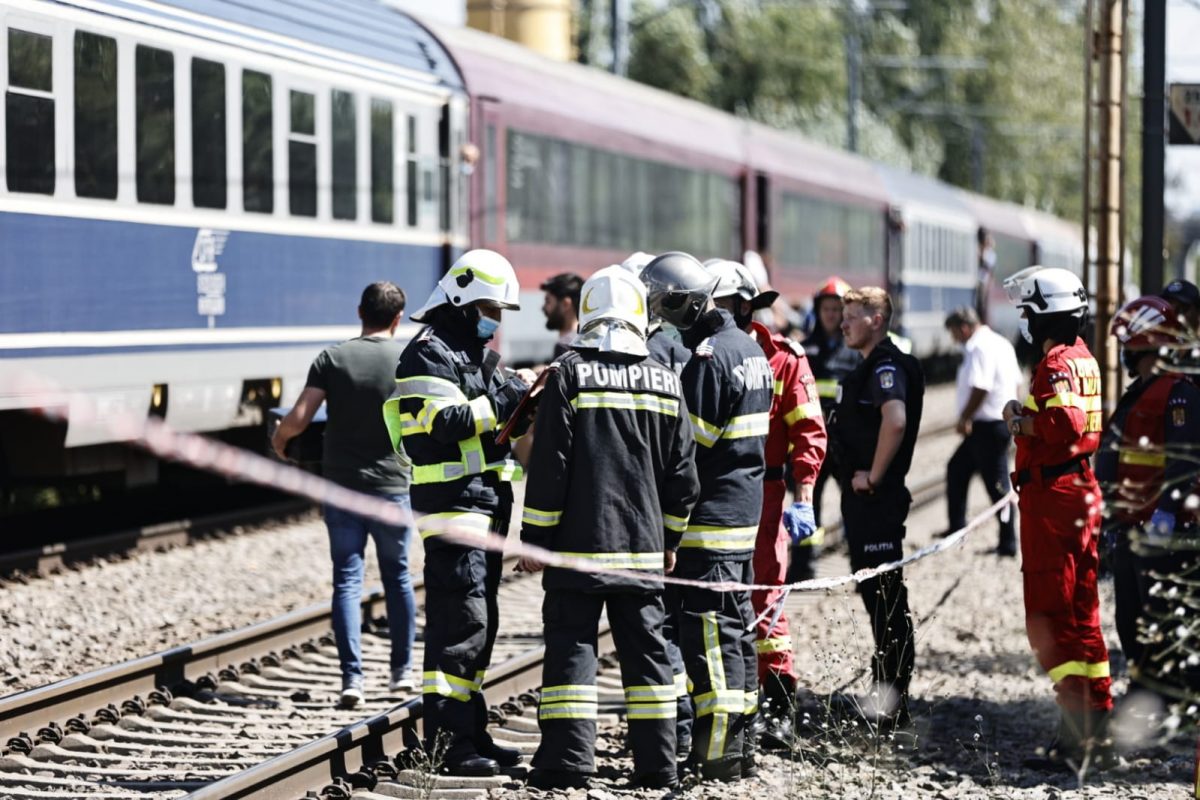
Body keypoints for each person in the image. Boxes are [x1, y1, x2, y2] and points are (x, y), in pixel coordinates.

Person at [517, 267, 700, 791]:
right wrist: (670, 541)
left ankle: (567, 762)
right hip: (643, 549)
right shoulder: (667, 381)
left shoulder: (570, 374)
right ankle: (657, 766)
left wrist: (537, 541)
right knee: (649, 657)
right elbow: (682, 475)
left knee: (573, 648)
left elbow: (550, 467)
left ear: (589, 310)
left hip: (579, 549)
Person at [384, 250, 533, 777]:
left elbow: (493, 411)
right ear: (462, 301)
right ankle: (448, 744)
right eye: (490, 307)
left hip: (484, 503)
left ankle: (471, 732)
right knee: (459, 623)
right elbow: (440, 424)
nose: (495, 319)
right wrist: (504, 401)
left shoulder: (471, 353)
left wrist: (524, 393)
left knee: (479, 622)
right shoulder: (426, 354)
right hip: (452, 505)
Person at [642, 252, 773, 782]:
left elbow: (689, 450)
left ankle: (715, 753)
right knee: (738, 631)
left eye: (662, 305)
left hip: (710, 521)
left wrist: (664, 511)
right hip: (742, 516)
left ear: (682, 301)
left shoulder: (708, 358)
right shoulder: (749, 348)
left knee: (710, 639)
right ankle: (741, 747)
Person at [271, 282, 416, 709]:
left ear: (360, 312)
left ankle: (352, 680)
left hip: (343, 488)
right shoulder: (408, 360)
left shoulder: (332, 358)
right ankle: (401, 673)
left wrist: (280, 444)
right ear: (398, 318)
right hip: (393, 487)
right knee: (399, 578)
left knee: (348, 581)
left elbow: (299, 418)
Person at [706, 260, 826, 748]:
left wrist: (804, 495)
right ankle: (730, 700)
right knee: (715, 598)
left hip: (769, 494)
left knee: (766, 596)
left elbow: (808, 432)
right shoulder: (703, 354)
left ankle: (777, 707)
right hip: (717, 492)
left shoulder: (784, 358)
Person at [1000, 266, 1112, 768]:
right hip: (1077, 491)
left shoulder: (1055, 364)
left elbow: (1063, 424)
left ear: (1044, 314)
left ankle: (1075, 738)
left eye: (1026, 311)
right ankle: (1097, 724)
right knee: (1084, 613)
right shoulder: (1085, 358)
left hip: (1056, 499)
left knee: (1051, 616)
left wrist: (1018, 420)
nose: (1024, 321)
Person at [1096, 295, 1200, 714]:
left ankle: (1178, 708)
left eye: (1128, 345)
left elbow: (1183, 462)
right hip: (1132, 525)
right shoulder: (1143, 391)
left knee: (1166, 621)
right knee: (1132, 621)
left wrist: (1166, 515)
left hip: (1164, 530)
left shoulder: (1178, 394)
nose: (1123, 353)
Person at [830, 286, 924, 730]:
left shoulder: (885, 366)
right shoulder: (870, 365)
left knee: (885, 598)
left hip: (876, 501)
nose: (844, 322)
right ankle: (887, 690)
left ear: (877, 319)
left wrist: (875, 474)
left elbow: (896, 419)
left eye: (853, 315)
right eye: (843, 314)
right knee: (878, 597)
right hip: (867, 503)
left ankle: (892, 699)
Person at [794, 277, 861, 583]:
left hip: (847, 444)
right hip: (813, 444)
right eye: (827, 308)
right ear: (818, 310)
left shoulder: (858, 351)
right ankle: (803, 569)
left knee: (854, 505)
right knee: (807, 504)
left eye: (837, 308)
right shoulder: (804, 350)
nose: (832, 315)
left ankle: (860, 567)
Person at [941, 306, 1023, 555]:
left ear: (964, 327)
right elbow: (1017, 383)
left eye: (954, 333)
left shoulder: (979, 347)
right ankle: (957, 529)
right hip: (995, 424)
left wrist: (964, 417)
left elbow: (981, 387)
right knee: (957, 470)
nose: (954, 339)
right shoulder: (1000, 342)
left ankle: (1008, 542)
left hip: (988, 426)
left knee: (997, 486)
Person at [541, 272, 584, 360]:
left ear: (565, 304)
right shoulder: (586, 343)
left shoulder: (565, 347)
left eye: (548, 301)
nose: (543, 308)